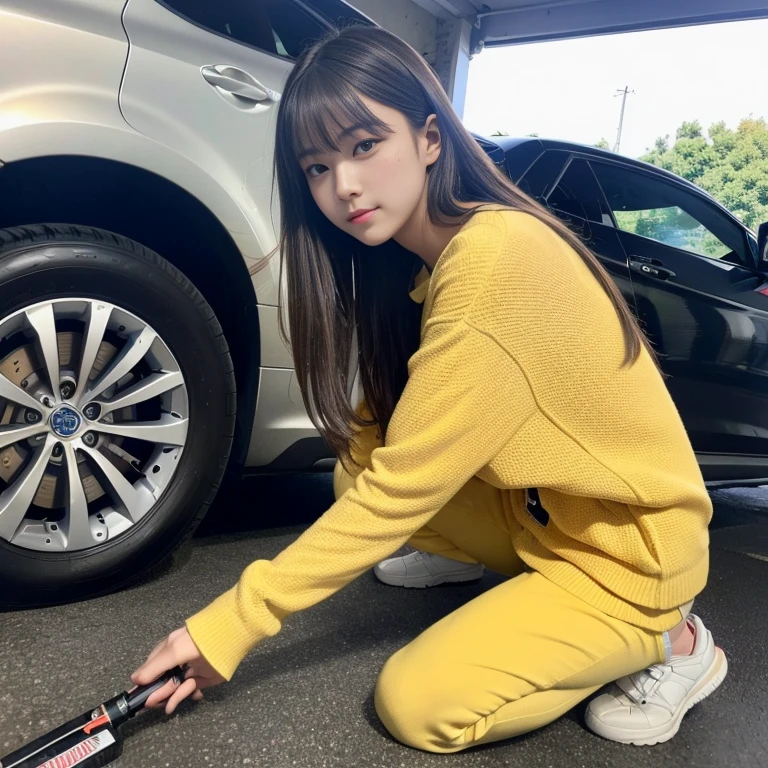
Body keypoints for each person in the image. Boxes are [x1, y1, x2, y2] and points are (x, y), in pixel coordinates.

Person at [130, 24, 727, 752]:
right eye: (316, 167)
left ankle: (671, 641)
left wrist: (230, 624)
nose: (342, 185)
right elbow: (377, 449)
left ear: (431, 138)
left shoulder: (494, 261)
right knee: (354, 465)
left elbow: (405, 488)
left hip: (627, 558)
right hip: (543, 519)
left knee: (417, 704)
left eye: (364, 145)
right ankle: (499, 585)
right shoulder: (417, 266)